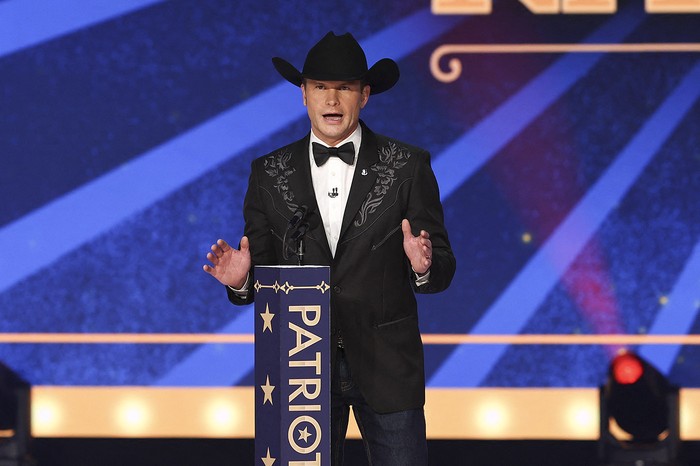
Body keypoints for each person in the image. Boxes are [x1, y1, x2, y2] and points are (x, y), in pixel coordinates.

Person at [203, 31, 456, 466]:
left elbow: (442, 268)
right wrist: (243, 280)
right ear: (304, 95)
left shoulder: (408, 166)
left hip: (387, 365)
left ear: (365, 95)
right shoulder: (269, 172)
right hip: (298, 364)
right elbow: (261, 271)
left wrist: (423, 266)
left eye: (344, 88)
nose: (332, 99)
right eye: (321, 87)